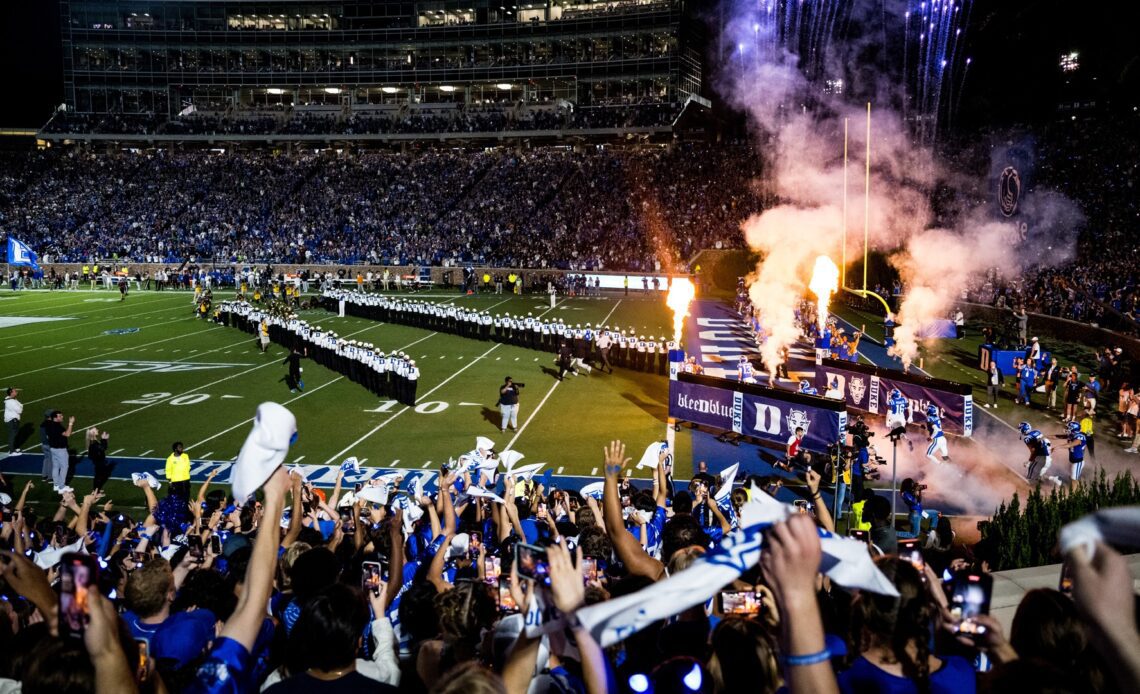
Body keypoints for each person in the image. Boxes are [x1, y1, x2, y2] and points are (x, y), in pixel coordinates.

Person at [44, 409, 74, 492]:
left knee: (56, 467)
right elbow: (67, 434)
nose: (62, 417)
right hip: (60, 449)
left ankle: (56, 485)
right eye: (60, 416)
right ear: (55, 418)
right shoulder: (57, 426)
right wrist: (70, 423)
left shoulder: (49, 425)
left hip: (53, 448)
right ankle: (61, 486)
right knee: (64, 467)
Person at [86, 427, 114, 493]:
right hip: (98, 461)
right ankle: (95, 492)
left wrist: (104, 439)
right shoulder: (93, 442)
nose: (97, 430)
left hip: (98, 461)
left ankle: (96, 489)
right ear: (93, 433)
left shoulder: (94, 441)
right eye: (96, 429)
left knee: (99, 476)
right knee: (98, 476)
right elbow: (102, 448)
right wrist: (104, 439)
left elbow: (103, 448)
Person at [3, 387, 22, 455]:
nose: (16, 392)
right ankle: (11, 451)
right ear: (11, 393)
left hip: (13, 419)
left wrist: (20, 406)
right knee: (12, 435)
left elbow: (20, 406)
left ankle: (14, 448)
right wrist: (20, 406)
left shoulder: (12, 400)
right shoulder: (11, 402)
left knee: (15, 434)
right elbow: (20, 410)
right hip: (12, 420)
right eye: (14, 391)